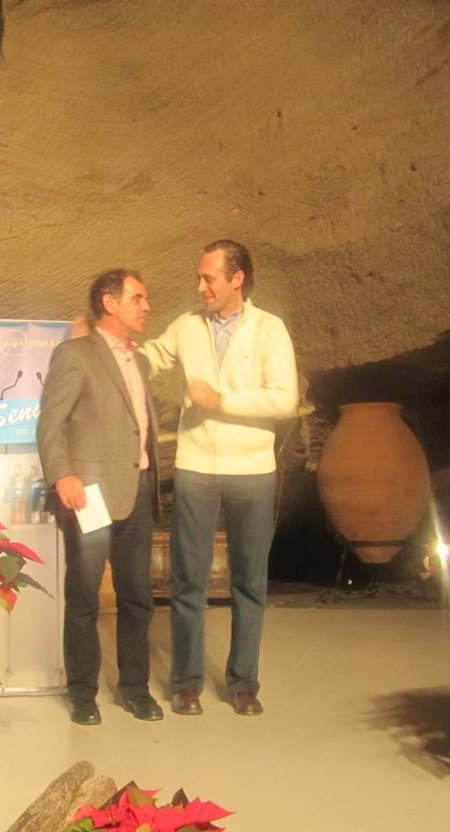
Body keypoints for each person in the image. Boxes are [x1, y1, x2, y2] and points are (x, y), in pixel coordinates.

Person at [141, 239, 298, 716]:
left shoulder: (269, 329)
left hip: (252, 471)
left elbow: (285, 399)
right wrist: (107, 347)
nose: (200, 286)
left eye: (208, 278)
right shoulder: (187, 326)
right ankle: (186, 683)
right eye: (200, 277)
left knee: (249, 581)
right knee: (187, 578)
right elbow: (150, 357)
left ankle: (243, 683)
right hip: (196, 468)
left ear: (237, 279)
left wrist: (221, 400)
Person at [37, 269, 163, 725]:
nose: (147, 306)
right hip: (89, 493)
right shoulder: (75, 354)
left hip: (137, 490)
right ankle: (82, 693)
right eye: (138, 298)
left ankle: (135, 689)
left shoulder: (139, 360)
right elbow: (51, 423)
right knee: (85, 597)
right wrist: (62, 475)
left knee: (137, 597)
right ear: (110, 303)